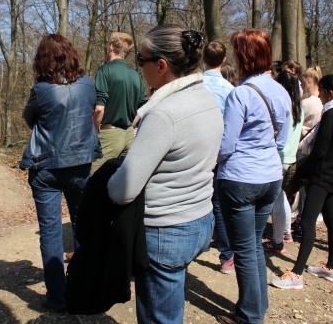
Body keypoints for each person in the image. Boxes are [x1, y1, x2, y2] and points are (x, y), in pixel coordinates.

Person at [107, 25, 223, 324]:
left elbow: (123, 190)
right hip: (200, 219)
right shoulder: (207, 99)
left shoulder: (163, 113)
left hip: (167, 231)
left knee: (160, 318)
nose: (140, 67)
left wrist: (107, 180)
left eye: (141, 60)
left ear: (161, 66)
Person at [19, 34, 102, 313]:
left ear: (43, 59)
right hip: (80, 163)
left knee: (51, 232)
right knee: (82, 227)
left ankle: (58, 297)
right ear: (71, 55)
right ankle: (83, 290)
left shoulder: (41, 90)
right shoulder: (89, 84)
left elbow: (29, 119)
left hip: (46, 167)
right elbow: (91, 113)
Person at [216, 29, 291, 323]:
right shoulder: (281, 90)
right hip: (271, 177)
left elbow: (226, 144)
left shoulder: (241, 94)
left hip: (241, 179)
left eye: (237, 51)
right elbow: (282, 142)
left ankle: (249, 315)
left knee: (245, 249)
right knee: (254, 245)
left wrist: (214, 163)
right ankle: (257, 306)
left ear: (244, 57)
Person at [271, 74, 333, 289]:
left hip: (321, 176)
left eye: (322, 91)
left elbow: (319, 151)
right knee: (331, 219)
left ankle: (297, 274)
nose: (319, 95)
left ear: (330, 93)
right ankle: (331, 267)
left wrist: (304, 171)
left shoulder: (332, 115)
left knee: (307, 222)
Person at [92, 32, 148, 173]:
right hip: (130, 136)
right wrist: (132, 125)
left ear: (111, 47)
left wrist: (92, 130)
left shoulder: (105, 70)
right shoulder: (135, 75)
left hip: (109, 136)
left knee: (92, 182)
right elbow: (145, 108)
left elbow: (99, 109)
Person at [202, 41, 235, 273]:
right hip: (219, 151)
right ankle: (226, 258)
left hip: (194, 150)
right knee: (219, 204)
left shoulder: (193, 86)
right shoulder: (231, 90)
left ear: (203, 58)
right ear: (223, 61)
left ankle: (196, 243)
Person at [263, 70, 302, 254]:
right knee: (283, 197)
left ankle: (279, 240)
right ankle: (285, 233)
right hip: (291, 156)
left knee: (277, 200)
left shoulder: (283, 105)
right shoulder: (297, 105)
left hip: (280, 156)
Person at [293, 67, 323, 227]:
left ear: (309, 80)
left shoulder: (307, 103)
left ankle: (303, 218)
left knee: (303, 186)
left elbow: (295, 123)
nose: (301, 85)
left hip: (303, 146)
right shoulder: (320, 101)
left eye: (302, 81)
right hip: (313, 147)